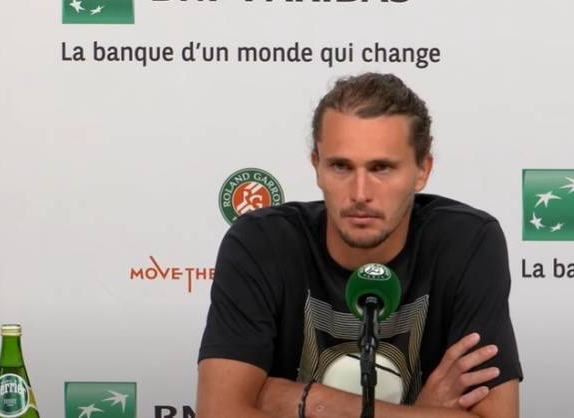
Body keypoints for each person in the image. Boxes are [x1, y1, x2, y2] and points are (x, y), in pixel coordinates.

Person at [197, 73, 522, 418]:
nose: (360, 193)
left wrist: (309, 401)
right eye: (341, 166)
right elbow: (219, 412)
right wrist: (420, 413)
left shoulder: (466, 242)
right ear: (316, 166)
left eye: (381, 168)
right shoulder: (262, 243)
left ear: (422, 171)